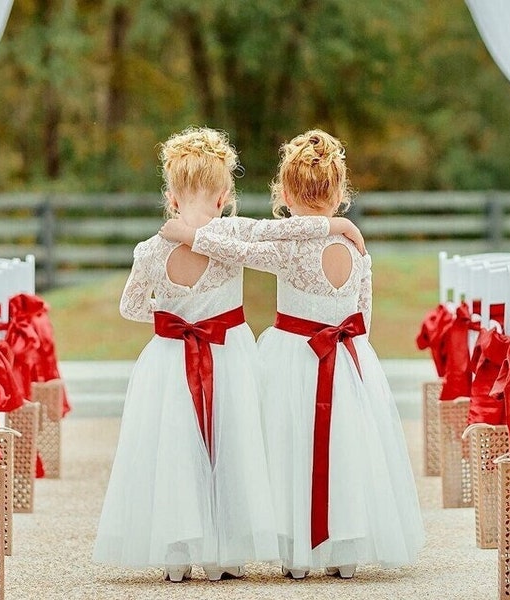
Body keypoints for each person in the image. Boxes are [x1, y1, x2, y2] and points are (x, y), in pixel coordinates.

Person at [93, 126, 364, 583]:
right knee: (231, 445)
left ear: (172, 197)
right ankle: (226, 556)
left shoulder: (151, 251)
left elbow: (131, 307)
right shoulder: (232, 234)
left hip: (169, 359)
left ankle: (177, 556)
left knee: (175, 447)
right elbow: (284, 232)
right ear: (224, 197)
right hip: (227, 353)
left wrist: (170, 314)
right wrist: (334, 224)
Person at [160, 129, 425, 580]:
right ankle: (346, 550)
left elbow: (238, 249)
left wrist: (189, 234)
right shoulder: (358, 250)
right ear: (340, 192)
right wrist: (337, 225)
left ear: (282, 192)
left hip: (295, 359)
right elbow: (365, 314)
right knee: (347, 450)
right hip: (349, 360)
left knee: (290, 449)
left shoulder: (287, 250)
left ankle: (296, 553)